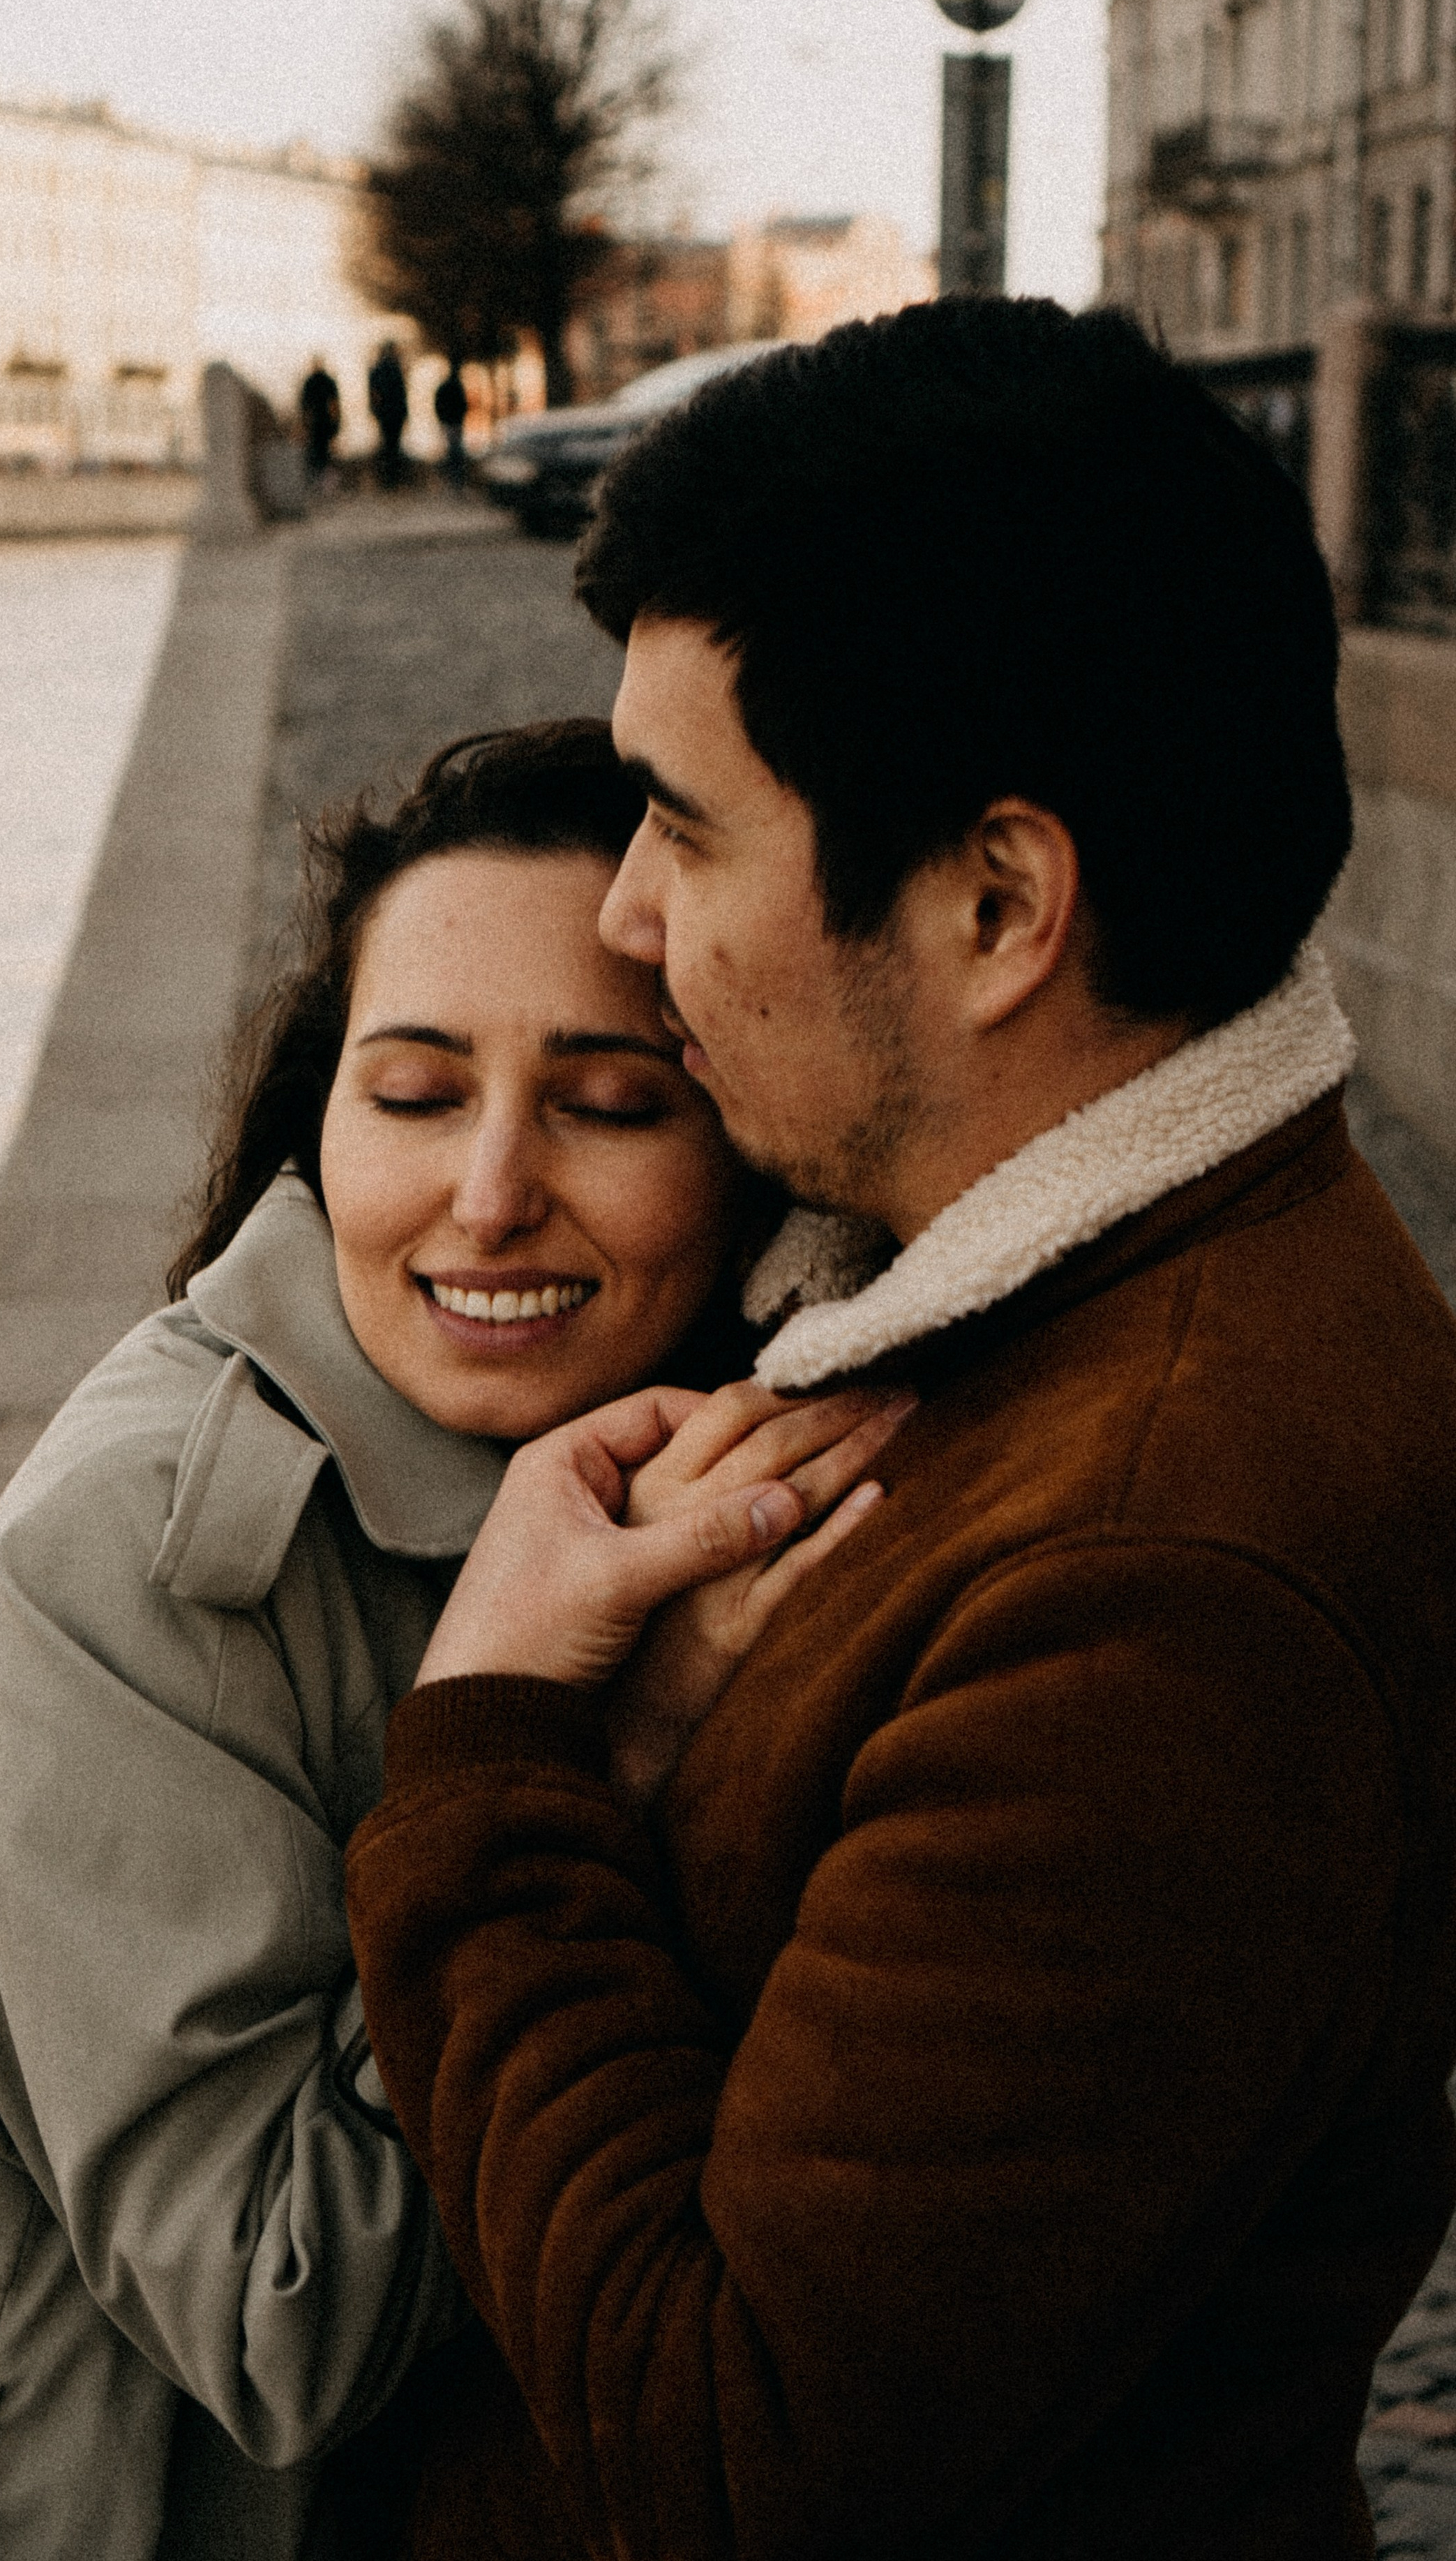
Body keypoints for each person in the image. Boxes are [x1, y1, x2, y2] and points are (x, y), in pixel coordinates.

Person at [344, 299, 1456, 2559]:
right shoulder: (1051, 1319)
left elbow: (735, 2464)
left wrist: (491, 1759)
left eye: (683, 825)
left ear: (996, 903)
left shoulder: (1153, 1587)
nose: (632, 926)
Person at [0, 721, 899, 2561]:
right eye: (415, 1094)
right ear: (320, 1119)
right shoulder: (148, 1562)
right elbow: (282, 2316)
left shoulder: (689, 1448)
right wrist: (572, 1751)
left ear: (753, 1154)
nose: (490, 1191)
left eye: (610, 1101)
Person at [368, 341, 409, 489]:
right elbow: (402, 395)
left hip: (385, 414)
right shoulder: (395, 369)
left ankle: (386, 479)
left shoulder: (376, 370)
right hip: (395, 414)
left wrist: (375, 412)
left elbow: (374, 395)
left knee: (386, 446)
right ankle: (392, 479)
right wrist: (405, 414)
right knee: (394, 446)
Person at [299, 356, 341, 488]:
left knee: (320, 452)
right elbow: (306, 406)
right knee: (319, 452)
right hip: (320, 423)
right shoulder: (320, 382)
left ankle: (322, 481)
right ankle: (319, 481)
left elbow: (333, 404)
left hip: (320, 423)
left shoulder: (313, 382)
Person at [433, 362, 470, 491]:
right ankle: (455, 477)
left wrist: (442, 419)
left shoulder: (444, 387)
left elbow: (438, 404)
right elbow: (464, 404)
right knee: (455, 450)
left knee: (451, 450)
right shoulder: (457, 387)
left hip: (450, 422)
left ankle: (452, 476)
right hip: (455, 423)